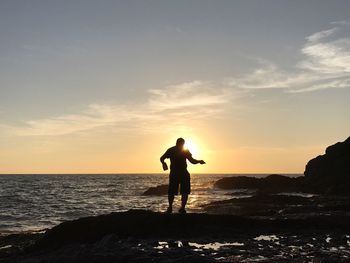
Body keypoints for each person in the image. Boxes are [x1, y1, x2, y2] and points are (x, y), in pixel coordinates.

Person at [160, 138, 205, 214]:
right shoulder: (185, 150)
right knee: (184, 191)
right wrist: (199, 161)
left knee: (172, 191)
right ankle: (182, 209)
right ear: (183, 143)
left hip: (174, 173)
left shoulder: (171, 150)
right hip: (183, 173)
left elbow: (161, 158)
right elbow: (192, 161)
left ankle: (170, 208)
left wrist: (163, 163)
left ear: (177, 143)